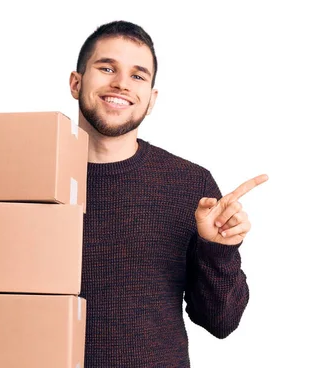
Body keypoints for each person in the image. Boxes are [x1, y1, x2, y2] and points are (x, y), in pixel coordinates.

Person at [69, 20, 268, 367]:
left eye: (138, 75)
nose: (120, 83)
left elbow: (221, 322)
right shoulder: (30, 179)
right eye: (106, 68)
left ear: (151, 99)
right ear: (76, 82)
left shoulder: (191, 186)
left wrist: (218, 250)